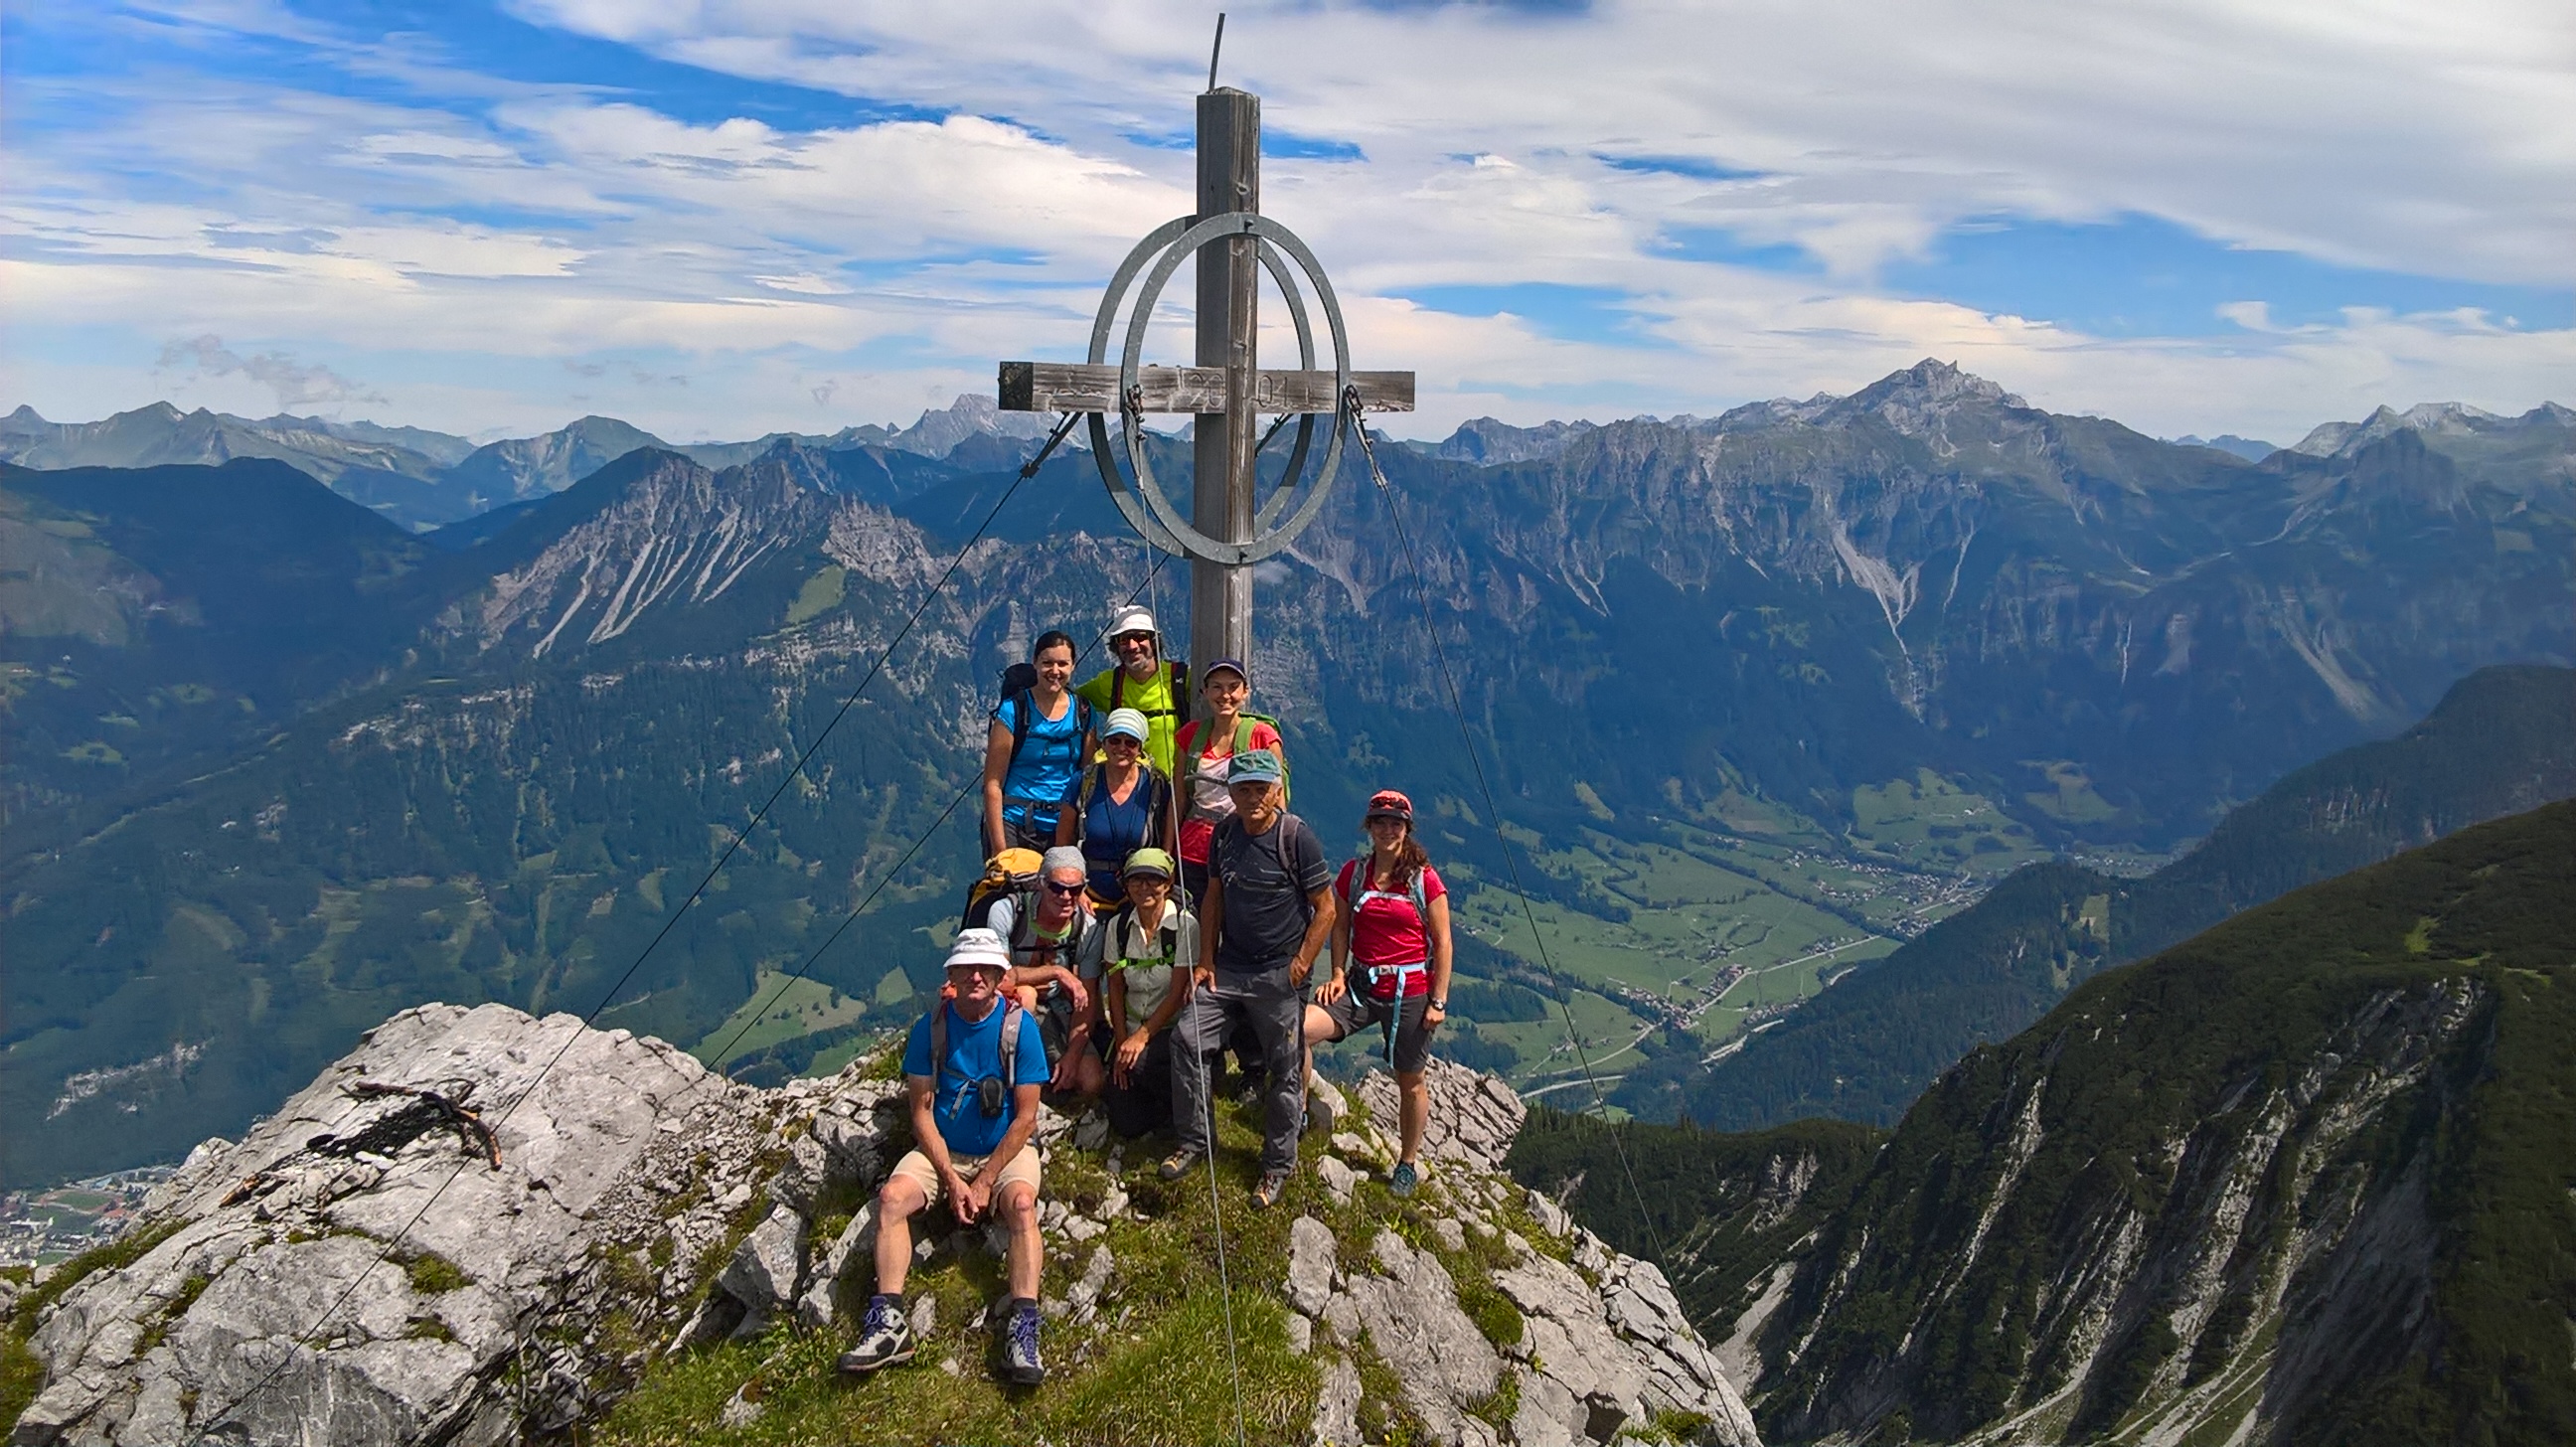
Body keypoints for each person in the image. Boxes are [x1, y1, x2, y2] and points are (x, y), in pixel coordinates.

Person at [843, 928, 1051, 1384]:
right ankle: (889, 1322)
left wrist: (985, 1179)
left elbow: (1026, 1119)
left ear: (1000, 976)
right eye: (966, 968)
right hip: (944, 1150)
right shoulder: (930, 1028)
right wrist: (953, 1180)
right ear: (951, 976)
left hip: (1006, 1150)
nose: (976, 976)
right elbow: (920, 1113)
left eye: (986, 969)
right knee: (892, 1199)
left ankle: (1024, 1326)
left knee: (1021, 1205)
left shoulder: (1020, 1029)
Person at [1165, 748, 1334, 1208]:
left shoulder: (1295, 837)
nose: (1253, 798)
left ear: (1277, 792)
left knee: (1284, 1066)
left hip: (1279, 971)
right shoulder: (1224, 834)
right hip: (1229, 968)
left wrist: (1301, 964)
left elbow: (1326, 908)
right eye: (1244, 790)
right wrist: (1205, 960)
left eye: (1262, 789)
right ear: (1231, 793)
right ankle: (1196, 1142)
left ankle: (1277, 1165)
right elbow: (1213, 898)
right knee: (1186, 1039)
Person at [1306, 789, 1454, 1198]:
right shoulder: (1354, 873)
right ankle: (1296, 1117)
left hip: (1411, 992)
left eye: (1396, 823)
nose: (1388, 830)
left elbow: (1443, 941)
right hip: (1360, 985)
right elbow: (1339, 925)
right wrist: (1338, 972)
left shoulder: (1424, 879)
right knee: (1297, 1031)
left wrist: (1438, 1001)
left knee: (1411, 1080)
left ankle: (1407, 1163)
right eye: (1380, 822)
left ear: (1407, 829)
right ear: (1369, 827)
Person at [1081, 847, 1198, 1139]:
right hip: (1132, 1031)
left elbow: (1177, 992)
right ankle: (1163, 1108)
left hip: (1172, 1032)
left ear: (1168, 884)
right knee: (1127, 1120)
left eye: (1153, 879)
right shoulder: (1118, 927)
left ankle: (1182, 1104)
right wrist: (1122, 1042)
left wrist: (1140, 1039)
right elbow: (1115, 986)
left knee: (1142, 1062)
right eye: (1136, 879)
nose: (1144, 887)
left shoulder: (1185, 925)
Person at [982, 847, 1103, 1097]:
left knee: (1091, 1080)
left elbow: (1087, 998)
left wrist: (1073, 1056)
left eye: (1075, 890)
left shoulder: (1089, 928)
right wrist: (1057, 972)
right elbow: (999, 980)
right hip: (1012, 1005)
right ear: (1041, 883)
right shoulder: (1007, 912)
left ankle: (1048, 1078)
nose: (1066, 896)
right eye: (1057, 888)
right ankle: (1010, 1077)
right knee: (1026, 994)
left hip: (1060, 1006)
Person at [1171, 659, 1284, 918]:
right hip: (1192, 850)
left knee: (1241, 924)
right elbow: (1178, 797)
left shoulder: (1263, 736)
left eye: (1233, 687)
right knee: (1195, 923)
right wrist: (1168, 852)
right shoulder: (1189, 735)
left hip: (1245, 846)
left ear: (1245, 692)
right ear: (1205, 692)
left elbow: (1276, 799)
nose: (1225, 695)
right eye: (1217, 687)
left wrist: (1276, 851)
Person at [1055, 707, 1178, 911]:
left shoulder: (1156, 785)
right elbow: (1063, 840)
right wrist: (1076, 890)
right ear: (1103, 743)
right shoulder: (1083, 781)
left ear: (1140, 748)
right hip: (1088, 894)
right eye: (1114, 740)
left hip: (1141, 895)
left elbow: (1167, 841)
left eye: (1130, 743)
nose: (1122, 748)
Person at [983, 631, 1092, 857]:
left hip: (1064, 827)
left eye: (1063, 664)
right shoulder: (1013, 711)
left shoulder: (1083, 712)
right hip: (1014, 823)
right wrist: (1000, 851)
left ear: (1073, 666)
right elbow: (993, 783)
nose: (1055, 671)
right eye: (1047, 663)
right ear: (1035, 663)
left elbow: (1087, 776)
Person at [1074, 605, 1186, 779]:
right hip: (1124, 787)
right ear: (1116, 646)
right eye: (1124, 639)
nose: (1132, 646)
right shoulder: (1109, 682)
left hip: (1172, 788)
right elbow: (1068, 704)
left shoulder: (1180, 679)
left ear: (1153, 641)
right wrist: (1096, 746)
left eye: (1140, 637)